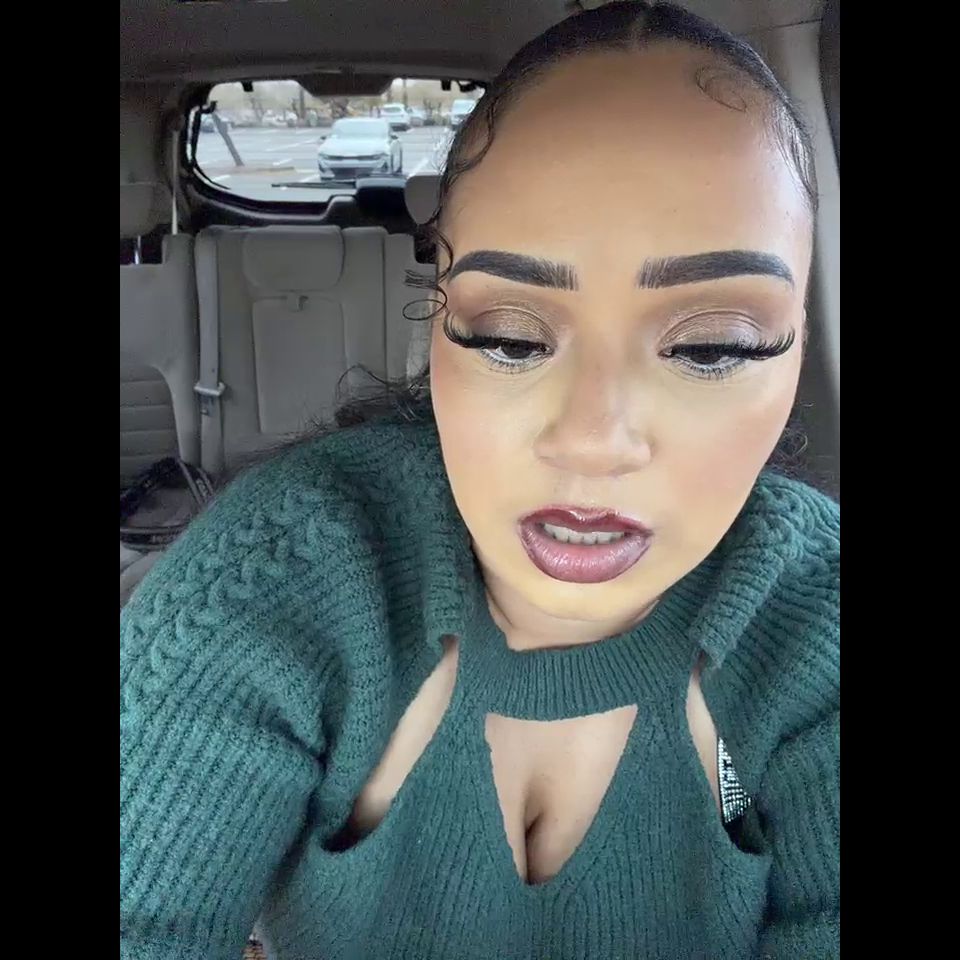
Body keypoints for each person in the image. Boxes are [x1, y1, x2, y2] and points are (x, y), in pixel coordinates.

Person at [120, 3, 839, 958]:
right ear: (438, 324)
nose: (591, 442)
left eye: (714, 346)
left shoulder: (821, 624)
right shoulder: (269, 585)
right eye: (508, 337)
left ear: (797, 354)